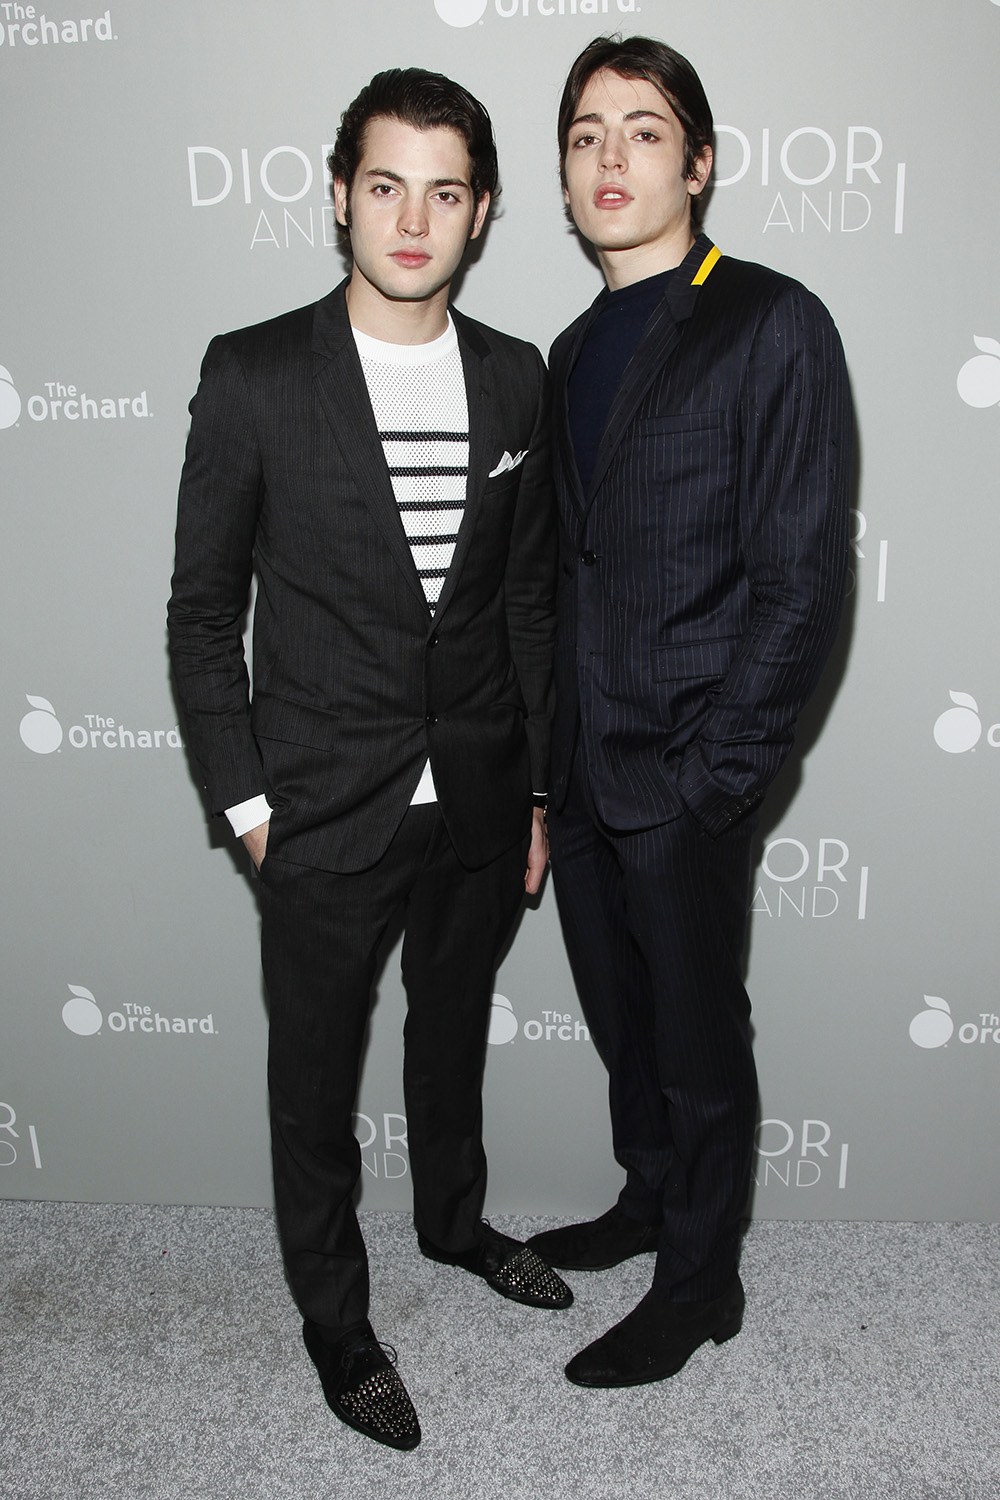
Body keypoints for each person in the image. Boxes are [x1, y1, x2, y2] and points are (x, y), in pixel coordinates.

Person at [167, 67, 567, 1453]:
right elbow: (204, 614)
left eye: (444, 193)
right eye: (385, 186)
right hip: (321, 811)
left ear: (483, 211)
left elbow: (524, 605)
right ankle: (337, 1325)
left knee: (450, 1040)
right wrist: (248, 807)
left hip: (479, 794)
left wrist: (534, 790)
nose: (411, 220)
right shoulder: (256, 373)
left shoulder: (518, 377)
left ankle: (453, 1224)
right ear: (339, 194)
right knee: (315, 1087)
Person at [526, 35, 851, 1388]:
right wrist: (544, 781)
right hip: (584, 770)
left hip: (687, 771)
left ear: (699, 164)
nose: (611, 157)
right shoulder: (567, 351)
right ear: (562, 173)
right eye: (586, 135)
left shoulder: (769, 320)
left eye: (644, 131)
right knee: (622, 1019)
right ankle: (651, 1198)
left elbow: (802, 577)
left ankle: (703, 1282)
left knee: (700, 1039)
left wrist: (720, 777)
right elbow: (566, 577)